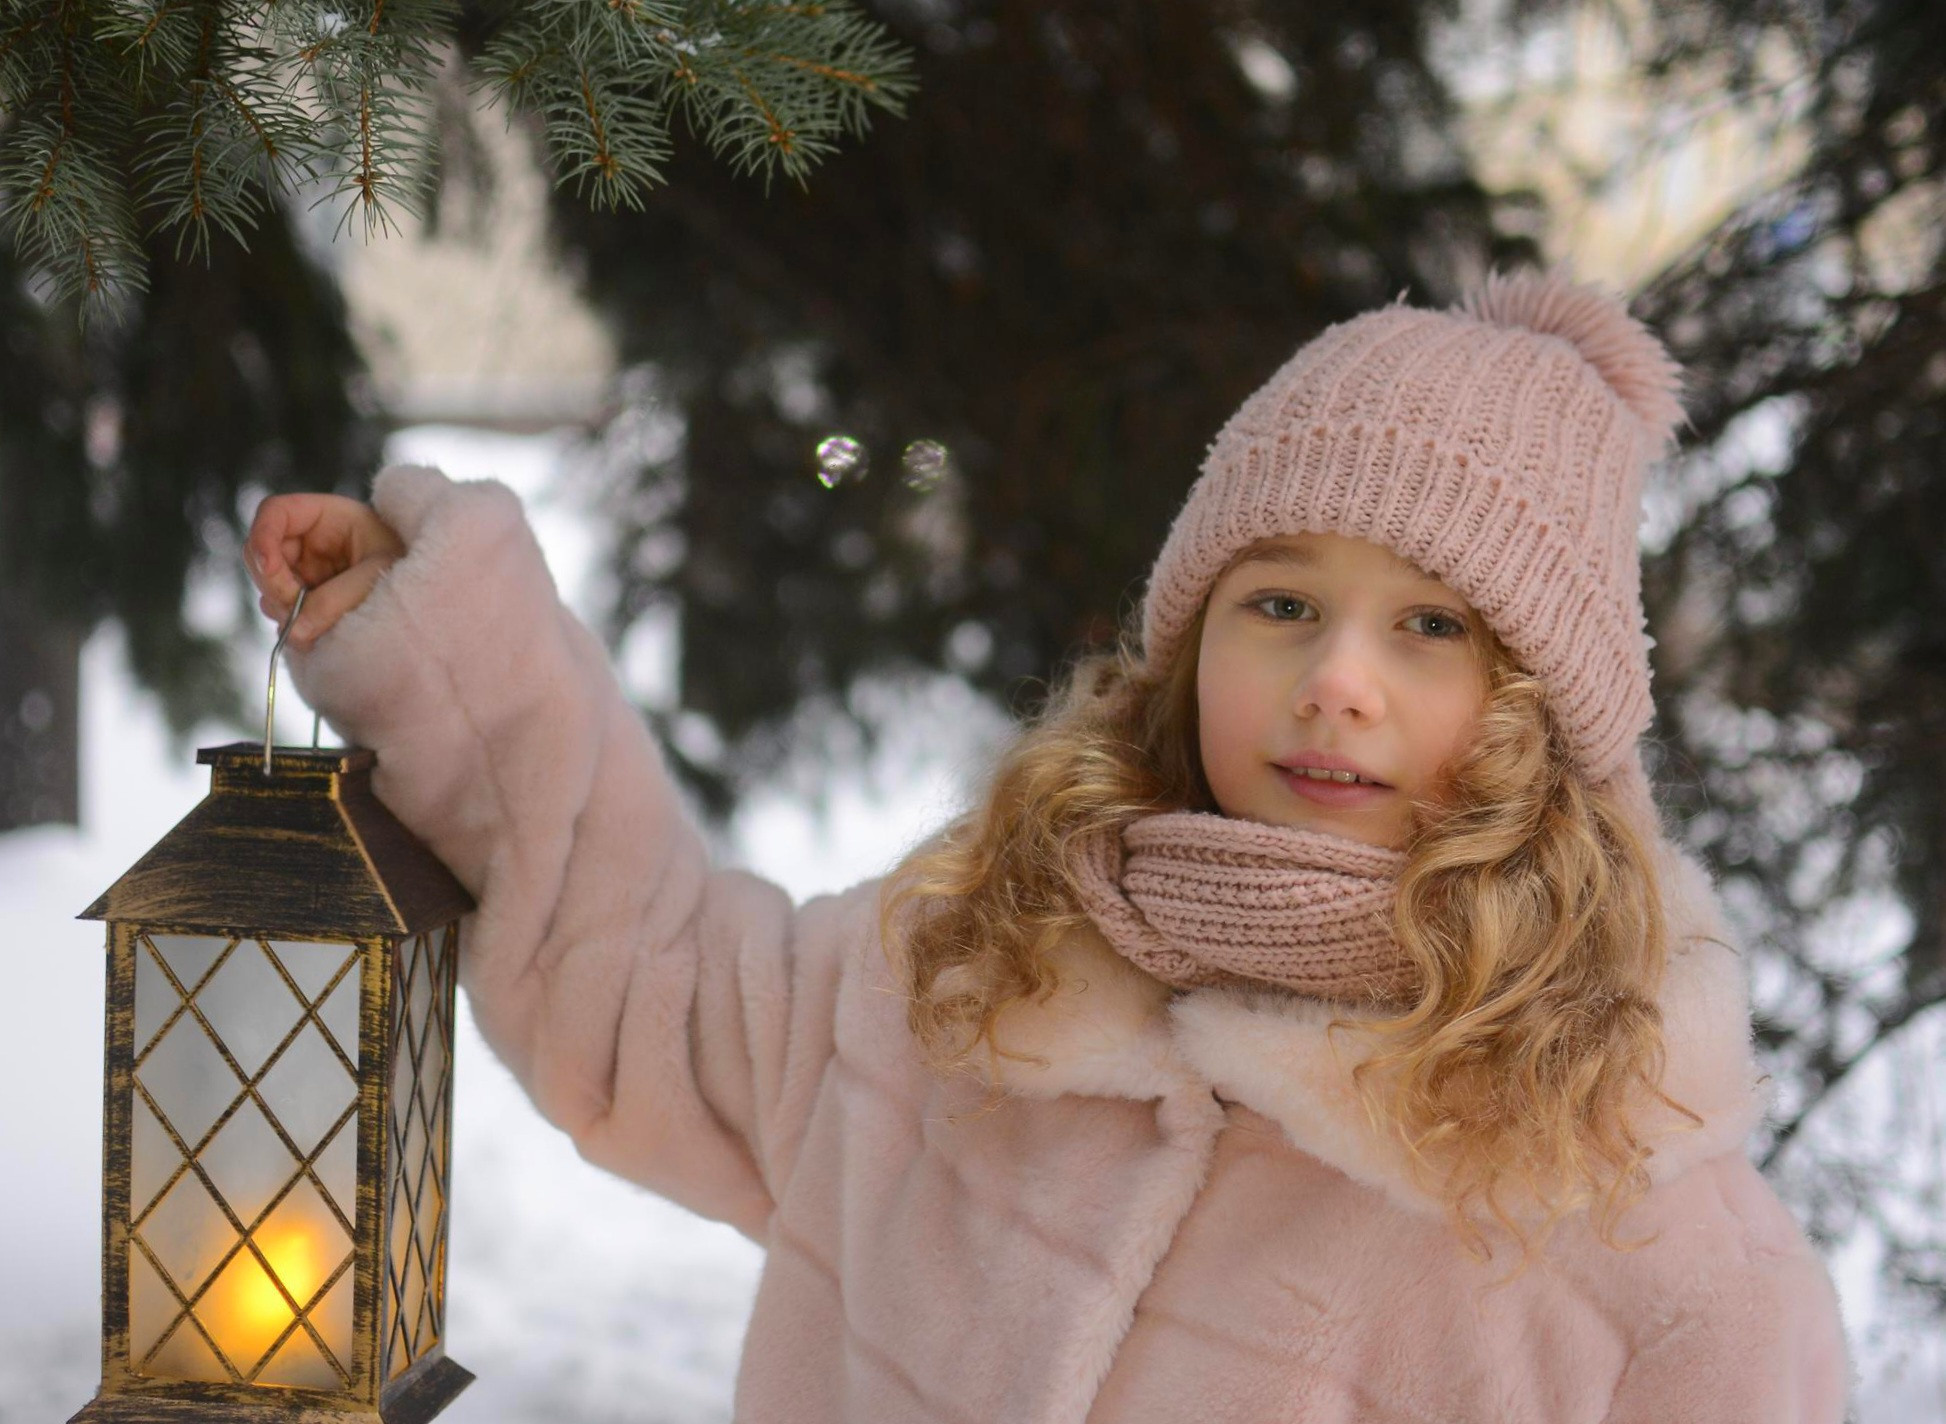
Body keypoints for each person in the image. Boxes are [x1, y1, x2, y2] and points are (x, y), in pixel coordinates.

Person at [246, 267, 1851, 1423]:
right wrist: (447, 648)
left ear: (1544, 717)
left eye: (1432, 628)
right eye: (1278, 602)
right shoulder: (981, 981)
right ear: (1190, 638)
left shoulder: (1657, 1271)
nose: (1335, 682)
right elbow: (648, 994)